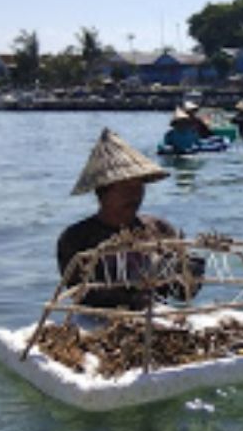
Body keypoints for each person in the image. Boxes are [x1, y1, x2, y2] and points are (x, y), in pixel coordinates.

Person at [57, 128, 184, 308]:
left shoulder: (160, 229)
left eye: (138, 187)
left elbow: (183, 294)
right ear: (102, 193)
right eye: (125, 189)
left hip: (157, 312)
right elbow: (80, 294)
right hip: (98, 319)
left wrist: (188, 273)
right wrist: (132, 295)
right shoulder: (76, 238)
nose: (134, 196)